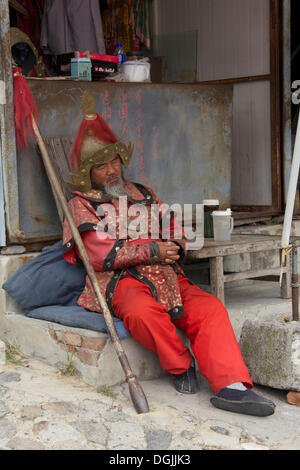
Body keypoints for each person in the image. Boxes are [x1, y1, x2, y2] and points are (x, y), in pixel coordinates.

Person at [62, 94, 275, 417]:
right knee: (142, 313)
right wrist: (152, 249)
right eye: (101, 165)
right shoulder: (81, 204)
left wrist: (175, 245)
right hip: (119, 280)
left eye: (115, 161)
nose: (111, 171)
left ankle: (231, 386)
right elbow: (98, 252)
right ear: (89, 172)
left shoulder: (143, 193)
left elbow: (171, 224)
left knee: (209, 308)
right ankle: (180, 364)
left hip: (166, 274)